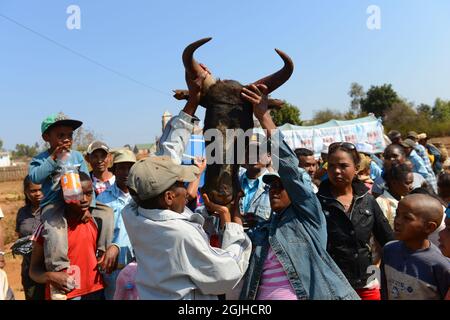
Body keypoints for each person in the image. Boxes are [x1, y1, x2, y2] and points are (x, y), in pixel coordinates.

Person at [122, 65, 252, 300]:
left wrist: (192, 102)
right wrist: (231, 224)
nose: (188, 187)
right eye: (182, 182)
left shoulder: (132, 214)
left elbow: (164, 159)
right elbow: (227, 273)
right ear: (169, 197)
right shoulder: (181, 233)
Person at [238, 84, 359, 300]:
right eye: (271, 186)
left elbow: (290, 171)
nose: (273, 190)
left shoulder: (308, 219)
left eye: (280, 186)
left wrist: (264, 117)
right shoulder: (263, 230)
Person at [28, 113, 113, 299]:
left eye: (69, 135)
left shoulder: (75, 156)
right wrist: (53, 158)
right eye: (60, 135)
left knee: (106, 212)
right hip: (54, 204)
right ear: (46, 138)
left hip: (79, 200)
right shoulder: (41, 159)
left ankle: (103, 249)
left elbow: (85, 179)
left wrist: (88, 206)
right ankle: (60, 269)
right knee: (55, 229)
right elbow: (34, 177)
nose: (66, 139)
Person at [317, 141, 395, 300]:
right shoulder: (317, 202)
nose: (336, 171)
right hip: (330, 285)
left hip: (366, 283)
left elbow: (387, 239)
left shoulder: (368, 200)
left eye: (343, 165)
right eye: (331, 166)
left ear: (357, 168)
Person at [29, 173, 107, 300]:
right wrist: (50, 276)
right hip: (65, 295)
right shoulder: (49, 228)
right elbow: (34, 270)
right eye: (79, 194)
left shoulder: (94, 221)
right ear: (65, 195)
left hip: (96, 290)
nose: (85, 199)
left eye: (89, 193)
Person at [381, 194, 450, 300]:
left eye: (407, 218)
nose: (397, 221)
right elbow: (385, 290)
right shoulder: (389, 250)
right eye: (397, 214)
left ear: (429, 227)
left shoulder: (440, 265)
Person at [97, 149, 137, 299]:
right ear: (114, 170)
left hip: (140, 267)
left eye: (130, 167)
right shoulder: (102, 199)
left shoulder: (143, 197)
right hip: (113, 270)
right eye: (121, 168)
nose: (126, 172)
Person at [14, 176, 46, 300]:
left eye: (41, 189)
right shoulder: (22, 212)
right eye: (33, 191)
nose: (38, 194)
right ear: (26, 192)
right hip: (29, 269)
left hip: (49, 268)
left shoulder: (53, 210)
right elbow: (19, 236)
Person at [375, 163, 414, 227]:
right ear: (394, 183)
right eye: (407, 183)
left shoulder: (404, 199)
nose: (411, 187)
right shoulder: (381, 203)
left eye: (411, 182)